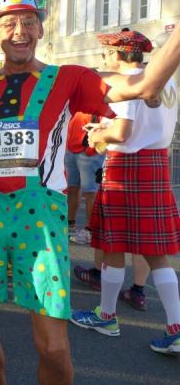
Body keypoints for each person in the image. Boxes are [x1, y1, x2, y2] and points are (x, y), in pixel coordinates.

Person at [0, 0, 180, 385]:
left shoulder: (69, 78)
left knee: (54, 348)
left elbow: (145, 86)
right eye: (9, 23)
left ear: (41, 30)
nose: (19, 31)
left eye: (28, 22)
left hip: (40, 217)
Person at [70, 29, 180, 354]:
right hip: (156, 163)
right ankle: (175, 328)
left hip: (126, 166)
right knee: (157, 253)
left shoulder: (128, 82)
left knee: (113, 244)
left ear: (115, 54)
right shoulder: (169, 83)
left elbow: (121, 132)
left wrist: (95, 134)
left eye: (105, 55)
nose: (104, 60)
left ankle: (106, 317)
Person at [64, 112, 105, 245]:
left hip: (90, 152)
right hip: (71, 149)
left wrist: (94, 148)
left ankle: (91, 231)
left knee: (90, 193)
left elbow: (109, 122)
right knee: (72, 189)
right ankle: (70, 226)